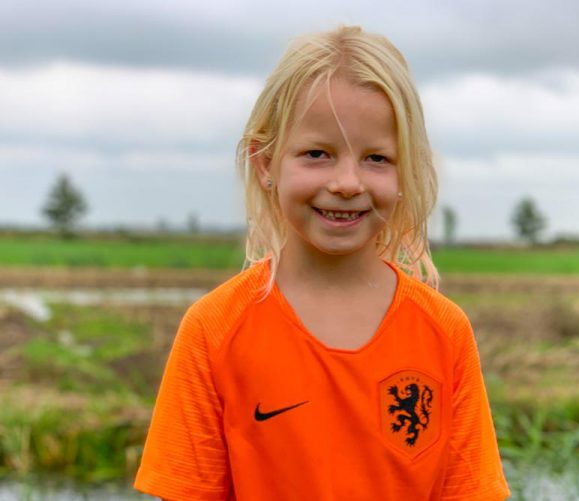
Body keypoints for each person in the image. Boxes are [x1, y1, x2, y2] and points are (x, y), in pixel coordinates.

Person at [134, 25, 510, 500]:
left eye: (376, 158)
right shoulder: (214, 331)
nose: (348, 182)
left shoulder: (443, 332)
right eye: (318, 154)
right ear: (266, 163)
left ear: (407, 170)